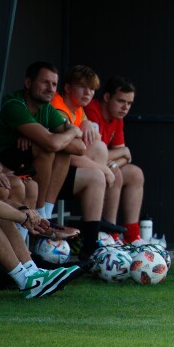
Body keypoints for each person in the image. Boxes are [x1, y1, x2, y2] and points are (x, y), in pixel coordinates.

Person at [0, 62, 85, 226]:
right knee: (47, 148)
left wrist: (44, 134)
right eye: (45, 82)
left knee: (62, 150)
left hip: (24, 161)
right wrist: (72, 131)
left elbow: (80, 148)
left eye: (54, 84)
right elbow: (51, 144)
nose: (51, 88)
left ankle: (46, 213)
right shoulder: (14, 104)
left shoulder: (47, 109)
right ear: (28, 83)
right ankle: (42, 213)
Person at [50, 66, 112, 252]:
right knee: (97, 177)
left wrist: (85, 121)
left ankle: (96, 230)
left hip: (61, 173)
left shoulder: (78, 109)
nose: (88, 93)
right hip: (47, 178)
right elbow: (68, 156)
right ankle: (91, 244)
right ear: (68, 88)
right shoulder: (58, 107)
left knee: (98, 147)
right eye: (82, 87)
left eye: (92, 89)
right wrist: (104, 169)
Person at [84, 77, 145, 244]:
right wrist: (119, 157)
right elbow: (92, 153)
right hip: (84, 165)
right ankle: (110, 234)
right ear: (106, 97)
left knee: (135, 173)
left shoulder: (118, 117)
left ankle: (132, 236)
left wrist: (117, 160)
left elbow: (125, 157)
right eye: (121, 101)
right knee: (115, 173)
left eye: (129, 103)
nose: (125, 107)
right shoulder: (92, 111)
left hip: (102, 165)